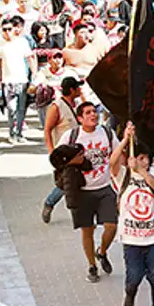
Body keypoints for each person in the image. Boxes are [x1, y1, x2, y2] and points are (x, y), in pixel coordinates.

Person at [58, 102, 124, 283]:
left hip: (104, 188)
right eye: (87, 113)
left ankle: (101, 252)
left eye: (94, 111)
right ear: (79, 118)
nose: (93, 115)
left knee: (112, 225)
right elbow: (57, 159)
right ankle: (92, 266)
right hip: (82, 192)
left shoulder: (107, 133)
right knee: (87, 231)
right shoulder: (71, 136)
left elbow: (118, 154)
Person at [110, 140, 154, 306]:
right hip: (131, 238)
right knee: (134, 276)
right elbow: (112, 163)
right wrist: (125, 140)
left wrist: (142, 171)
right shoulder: (123, 176)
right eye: (139, 158)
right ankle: (130, 294)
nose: (142, 161)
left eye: (145, 159)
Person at [41, 77, 85, 223]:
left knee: (77, 180)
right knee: (65, 182)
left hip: (78, 150)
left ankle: (79, 209)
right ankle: (49, 203)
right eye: (77, 88)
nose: (80, 90)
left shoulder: (77, 104)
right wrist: (51, 151)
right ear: (71, 90)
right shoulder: (57, 106)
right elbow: (47, 129)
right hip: (63, 154)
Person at [0, 17, 37, 143]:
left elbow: (30, 58)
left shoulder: (22, 42)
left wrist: (34, 74)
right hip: (7, 81)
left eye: (9, 29)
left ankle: (19, 132)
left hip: (22, 79)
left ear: (14, 29)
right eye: (4, 30)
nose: (7, 32)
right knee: (11, 108)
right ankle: (11, 132)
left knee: (21, 109)